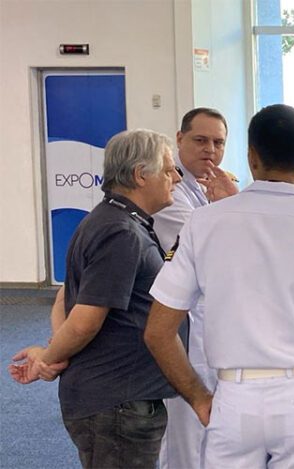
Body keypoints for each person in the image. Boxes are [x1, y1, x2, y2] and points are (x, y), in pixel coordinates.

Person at [143, 104, 294, 469]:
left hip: (235, 397)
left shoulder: (203, 224)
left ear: (250, 157)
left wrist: (197, 397)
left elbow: (158, 332)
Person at [8, 129, 182, 468]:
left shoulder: (107, 220)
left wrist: (54, 351)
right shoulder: (120, 232)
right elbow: (85, 320)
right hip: (117, 404)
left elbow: (66, 296)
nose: (175, 177)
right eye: (167, 169)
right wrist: (48, 357)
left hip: (115, 399)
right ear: (139, 176)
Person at [152, 107, 238, 469]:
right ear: (179, 139)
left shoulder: (210, 188)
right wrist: (233, 206)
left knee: (212, 434)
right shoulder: (169, 193)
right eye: (201, 140)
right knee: (184, 441)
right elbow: (210, 245)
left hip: (212, 327)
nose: (210, 150)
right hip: (180, 329)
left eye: (218, 143)